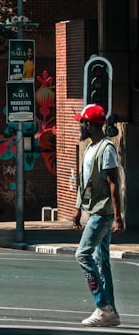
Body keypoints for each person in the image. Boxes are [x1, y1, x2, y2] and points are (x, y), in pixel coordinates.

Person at [73, 103, 123, 327]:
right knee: (101, 261)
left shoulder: (107, 148)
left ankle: (103, 307)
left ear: (89, 124)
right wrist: (77, 209)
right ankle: (111, 312)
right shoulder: (89, 148)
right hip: (93, 210)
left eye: (81, 122)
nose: (79, 126)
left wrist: (118, 216)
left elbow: (114, 184)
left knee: (82, 255)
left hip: (102, 213)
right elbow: (85, 184)